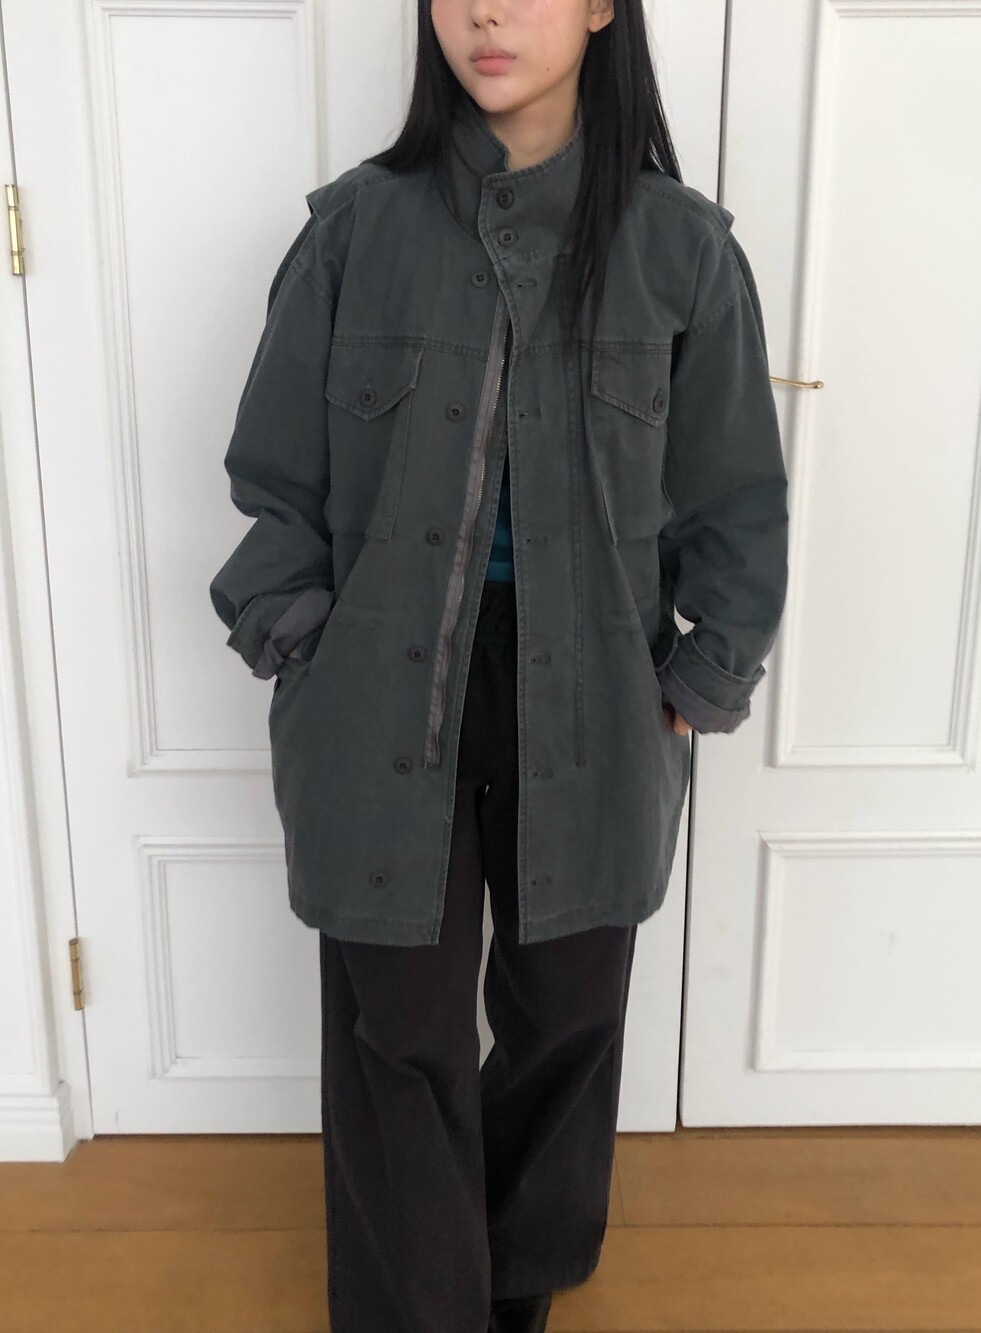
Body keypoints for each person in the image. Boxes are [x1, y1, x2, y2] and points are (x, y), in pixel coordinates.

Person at [208, 1, 789, 1329]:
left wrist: (699, 680)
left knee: (569, 1014)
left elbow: (735, 500)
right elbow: (275, 477)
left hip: (596, 694)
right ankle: (419, 1309)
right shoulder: (354, 232)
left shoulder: (682, 250)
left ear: (600, 8)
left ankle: (515, 1281)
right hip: (380, 687)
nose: (482, 9)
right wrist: (299, 640)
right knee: (397, 1029)